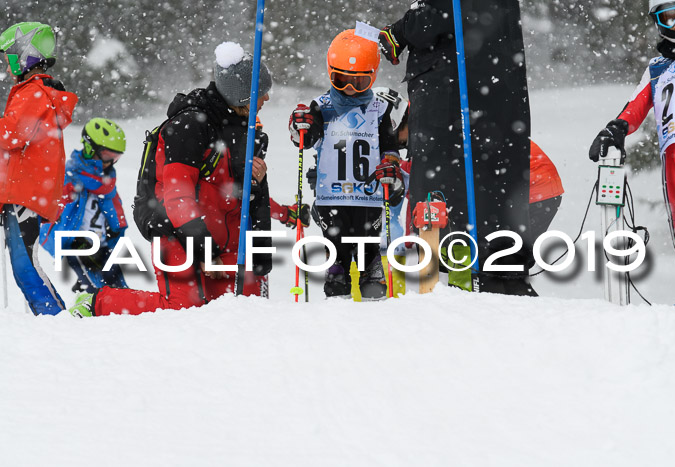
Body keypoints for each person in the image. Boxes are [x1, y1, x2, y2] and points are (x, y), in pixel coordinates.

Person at [68, 42, 273, 317]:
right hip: (174, 229)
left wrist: (259, 259)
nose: (267, 99)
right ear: (240, 95)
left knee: (239, 307)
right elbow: (178, 200)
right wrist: (205, 252)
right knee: (183, 309)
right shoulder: (188, 127)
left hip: (219, 233)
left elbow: (241, 199)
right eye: (260, 93)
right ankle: (96, 303)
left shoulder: (246, 130)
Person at [379, 0, 534, 296]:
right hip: (493, 94)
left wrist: (400, 32)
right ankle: (499, 270)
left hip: (454, 100)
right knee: (494, 185)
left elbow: (436, 15)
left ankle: (452, 279)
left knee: (442, 196)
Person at [589, 0, 675, 303]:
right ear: (658, 22)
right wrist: (616, 129)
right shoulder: (657, 66)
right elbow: (636, 105)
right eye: (669, 19)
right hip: (673, 151)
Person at [288, 29, 404, 300]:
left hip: (368, 200)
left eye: (359, 81)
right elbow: (305, 139)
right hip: (332, 199)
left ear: (372, 77)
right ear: (331, 74)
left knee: (369, 257)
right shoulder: (322, 106)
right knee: (337, 259)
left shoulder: (380, 109)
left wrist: (390, 167)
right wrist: (299, 126)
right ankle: (336, 309)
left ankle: (375, 305)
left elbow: (390, 148)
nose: (350, 89)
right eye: (341, 80)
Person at [0, 22, 78, 315]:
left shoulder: (33, 93)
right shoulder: (37, 92)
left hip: (25, 192)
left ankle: (55, 318)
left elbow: (10, 135)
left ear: (26, 55)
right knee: (23, 263)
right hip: (24, 191)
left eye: (10, 59)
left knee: (25, 264)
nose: (8, 69)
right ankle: (50, 319)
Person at [40, 118, 128, 293]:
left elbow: (115, 209)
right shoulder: (69, 175)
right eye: (107, 155)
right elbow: (50, 213)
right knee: (103, 292)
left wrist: (116, 230)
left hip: (102, 245)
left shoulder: (107, 179)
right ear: (90, 148)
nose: (110, 162)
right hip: (78, 243)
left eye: (115, 157)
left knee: (121, 290)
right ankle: (91, 304)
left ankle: (87, 296)